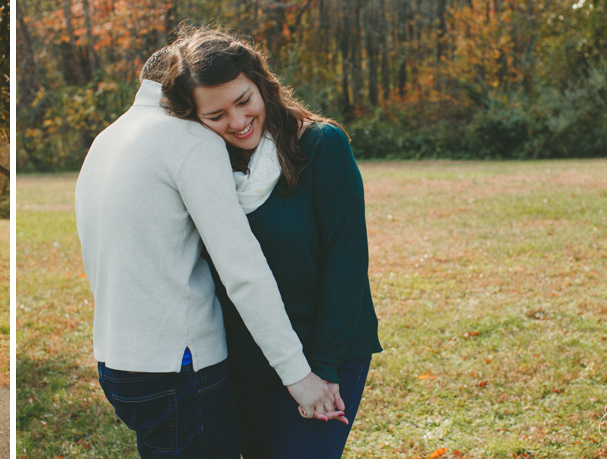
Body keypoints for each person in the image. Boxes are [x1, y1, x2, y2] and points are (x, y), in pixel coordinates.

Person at [74, 48, 344, 458]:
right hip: (180, 367)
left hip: (118, 365)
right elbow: (242, 269)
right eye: (214, 112)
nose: (229, 120)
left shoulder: (106, 140)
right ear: (187, 94)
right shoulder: (188, 139)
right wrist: (297, 374)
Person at [162, 26, 383, 459]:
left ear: (261, 82)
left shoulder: (321, 145)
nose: (238, 122)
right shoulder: (200, 171)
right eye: (216, 115)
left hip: (328, 348)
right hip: (245, 358)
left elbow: (348, 262)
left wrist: (320, 369)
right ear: (194, 119)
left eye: (244, 101)